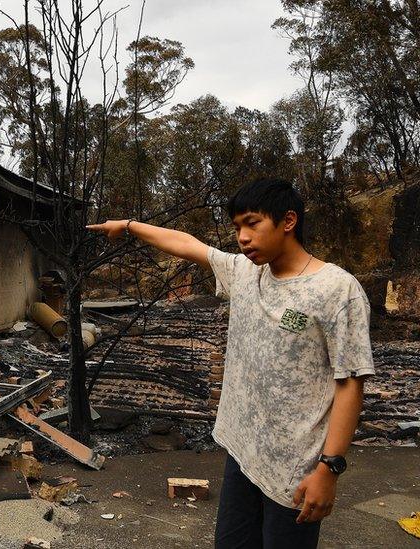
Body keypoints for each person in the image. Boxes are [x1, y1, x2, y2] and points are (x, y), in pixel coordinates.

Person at [87, 178, 374, 549]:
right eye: (237, 227)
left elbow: (350, 382)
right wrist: (128, 226)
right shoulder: (244, 272)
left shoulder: (337, 290)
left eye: (252, 223)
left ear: (288, 221)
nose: (242, 236)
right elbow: (188, 245)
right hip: (242, 454)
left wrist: (329, 468)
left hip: (295, 470)